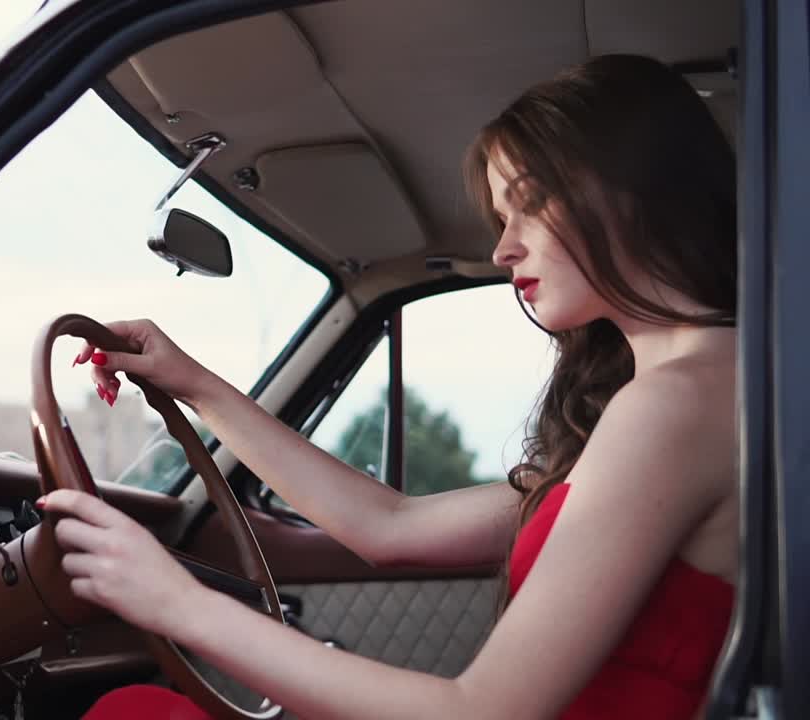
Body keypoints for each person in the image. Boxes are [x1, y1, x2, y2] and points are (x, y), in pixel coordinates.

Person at [40, 53, 739, 719]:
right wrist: (192, 382)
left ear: (637, 185)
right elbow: (390, 529)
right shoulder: (692, 393)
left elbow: (484, 710)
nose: (503, 250)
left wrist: (176, 602)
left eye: (529, 203)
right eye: (502, 219)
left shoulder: (673, 406)